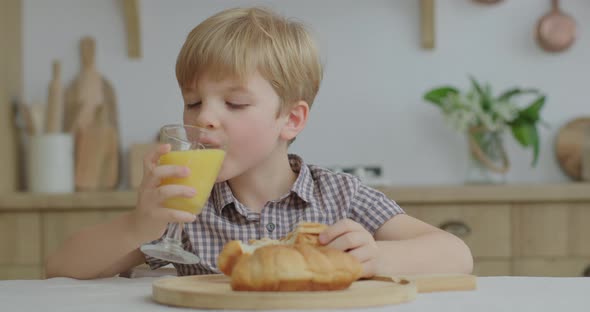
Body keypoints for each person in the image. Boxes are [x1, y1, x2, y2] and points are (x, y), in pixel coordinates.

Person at [46, 7, 473, 279]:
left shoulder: (340, 196)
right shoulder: (184, 205)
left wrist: (377, 258)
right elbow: (61, 267)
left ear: (290, 118)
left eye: (233, 102)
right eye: (193, 102)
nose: (204, 117)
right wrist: (141, 225)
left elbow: (456, 254)